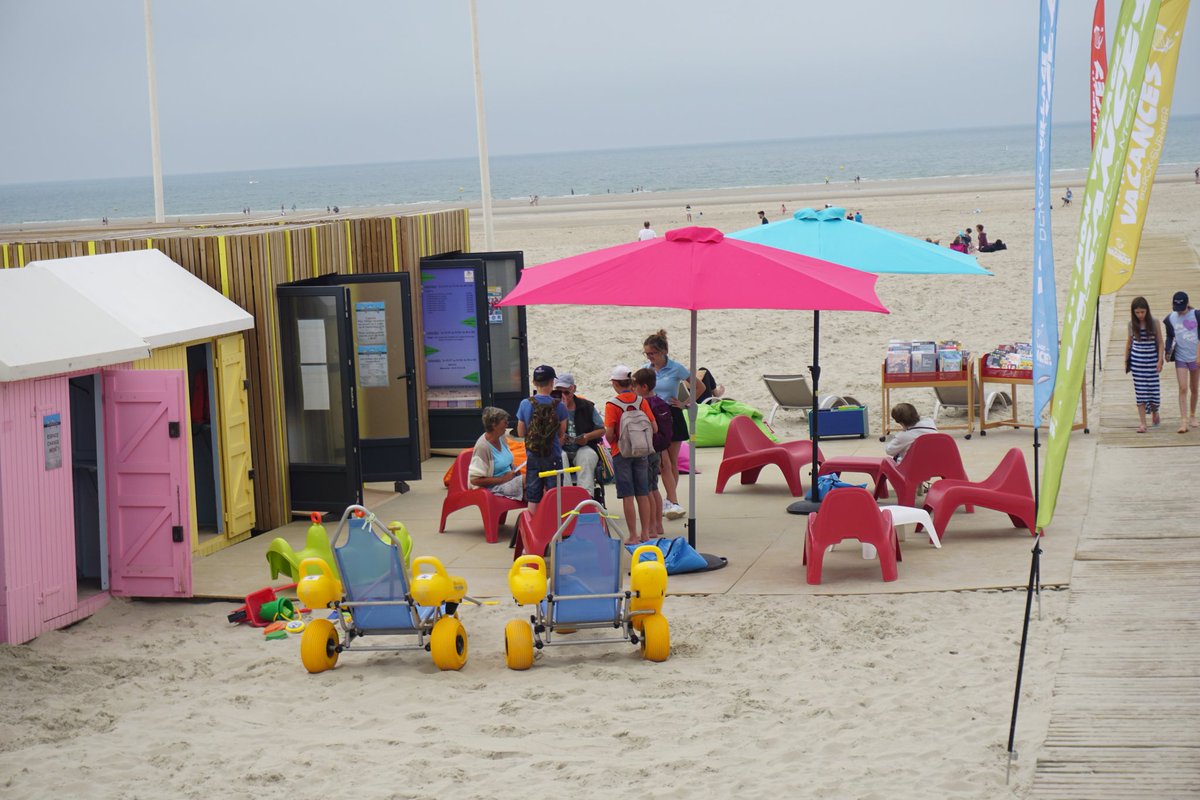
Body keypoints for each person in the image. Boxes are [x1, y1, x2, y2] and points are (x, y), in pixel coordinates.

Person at [605, 365, 657, 543]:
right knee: (642, 493)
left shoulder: (612, 404)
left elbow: (610, 434)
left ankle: (633, 535)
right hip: (641, 450)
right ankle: (645, 533)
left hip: (621, 452)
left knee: (627, 495)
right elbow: (654, 427)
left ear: (615, 383)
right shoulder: (641, 401)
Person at [642, 330, 691, 520]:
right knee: (664, 463)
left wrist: (685, 403)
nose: (649, 357)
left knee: (671, 462)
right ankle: (672, 500)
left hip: (672, 414)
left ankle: (671, 499)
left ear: (663, 351)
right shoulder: (646, 368)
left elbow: (699, 386)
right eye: (646, 353)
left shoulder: (676, 368)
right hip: (653, 415)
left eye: (652, 353)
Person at [515, 364, 569, 515]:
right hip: (554, 456)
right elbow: (561, 433)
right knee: (554, 494)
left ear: (533, 382)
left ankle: (534, 529)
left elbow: (520, 432)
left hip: (533, 455)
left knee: (533, 495)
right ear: (552, 382)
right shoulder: (559, 406)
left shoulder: (525, 404)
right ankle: (554, 529)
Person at [634, 368, 674, 539]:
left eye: (635, 386)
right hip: (657, 449)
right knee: (655, 488)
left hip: (646, 449)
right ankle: (658, 525)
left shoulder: (644, 404)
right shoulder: (661, 402)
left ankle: (650, 527)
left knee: (647, 489)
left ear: (643, 387)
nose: (633, 390)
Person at [552, 373, 604, 496]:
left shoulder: (586, 406)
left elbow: (602, 429)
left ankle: (585, 497)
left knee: (587, 456)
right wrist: (561, 411)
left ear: (573, 389)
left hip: (583, 446)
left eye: (566, 392)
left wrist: (586, 437)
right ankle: (567, 496)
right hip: (561, 447)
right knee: (560, 457)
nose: (563, 396)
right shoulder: (551, 407)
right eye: (560, 392)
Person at [1125, 297, 1164, 433]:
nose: (1140, 315)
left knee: (1154, 391)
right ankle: (1143, 424)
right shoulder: (1131, 324)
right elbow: (1129, 342)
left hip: (1152, 362)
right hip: (1137, 363)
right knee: (1140, 393)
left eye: (1142, 312)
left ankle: (1155, 411)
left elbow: (1160, 342)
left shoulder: (1154, 323)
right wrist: (1126, 360)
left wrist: (1160, 360)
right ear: (1133, 312)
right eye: (1137, 312)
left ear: (1147, 310)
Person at [467, 407, 524, 500]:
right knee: (531, 482)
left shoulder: (501, 438)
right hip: (493, 487)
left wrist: (514, 469)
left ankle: (537, 513)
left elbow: (506, 462)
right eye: (505, 422)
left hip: (508, 481)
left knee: (535, 489)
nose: (507, 424)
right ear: (494, 425)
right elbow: (474, 480)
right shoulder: (482, 447)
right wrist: (502, 479)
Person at [1164, 291, 1200, 433]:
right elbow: (1169, 336)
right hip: (1180, 357)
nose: (1179, 311)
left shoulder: (1196, 315)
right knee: (1183, 388)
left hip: (1195, 357)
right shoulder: (1170, 318)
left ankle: (1192, 415)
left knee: (1194, 388)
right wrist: (1167, 352)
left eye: (1181, 308)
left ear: (1186, 304)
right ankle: (1183, 421)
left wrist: (1198, 356)